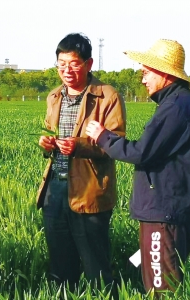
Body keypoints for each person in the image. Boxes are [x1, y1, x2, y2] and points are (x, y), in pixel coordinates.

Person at [85, 39, 190, 294]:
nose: (143, 80)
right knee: (149, 275)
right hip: (165, 210)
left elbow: (141, 153)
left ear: (164, 73)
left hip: (164, 213)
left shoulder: (175, 107)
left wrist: (103, 136)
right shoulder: (178, 102)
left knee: (160, 289)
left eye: (146, 73)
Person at [36, 33, 126, 291]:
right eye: (61, 64)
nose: (67, 70)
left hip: (89, 188)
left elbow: (115, 142)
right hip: (56, 186)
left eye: (73, 64)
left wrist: (79, 147)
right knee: (60, 263)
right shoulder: (54, 96)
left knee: (95, 265)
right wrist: (46, 145)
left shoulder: (107, 96)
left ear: (88, 64)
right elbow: (50, 132)